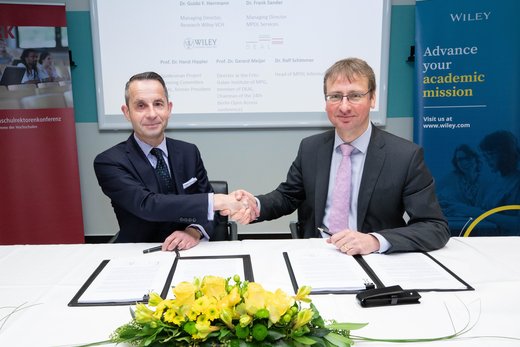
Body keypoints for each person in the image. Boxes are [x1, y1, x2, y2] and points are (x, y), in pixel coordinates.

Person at [230, 57, 450, 255]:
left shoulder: (405, 156)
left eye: (354, 96)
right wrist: (255, 204)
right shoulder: (311, 148)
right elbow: (287, 196)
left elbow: (434, 227)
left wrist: (374, 241)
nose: (344, 106)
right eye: (335, 96)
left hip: (374, 259)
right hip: (318, 253)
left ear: (372, 99)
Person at [94, 71, 256, 250]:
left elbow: (212, 213)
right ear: (127, 112)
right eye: (141, 106)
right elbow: (148, 205)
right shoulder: (109, 162)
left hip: (192, 252)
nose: (152, 113)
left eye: (158, 104)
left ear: (169, 108)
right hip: (140, 254)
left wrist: (194, 231)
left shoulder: (189, 152)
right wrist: (218, 200)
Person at [437, 144, 489, 220]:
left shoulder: (487, 179)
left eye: (468, 158)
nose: (464, 162)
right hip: (461, 221)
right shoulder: (452, 177)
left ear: (476, 158)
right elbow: (432, 191)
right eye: (460, 159)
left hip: (485, 222)